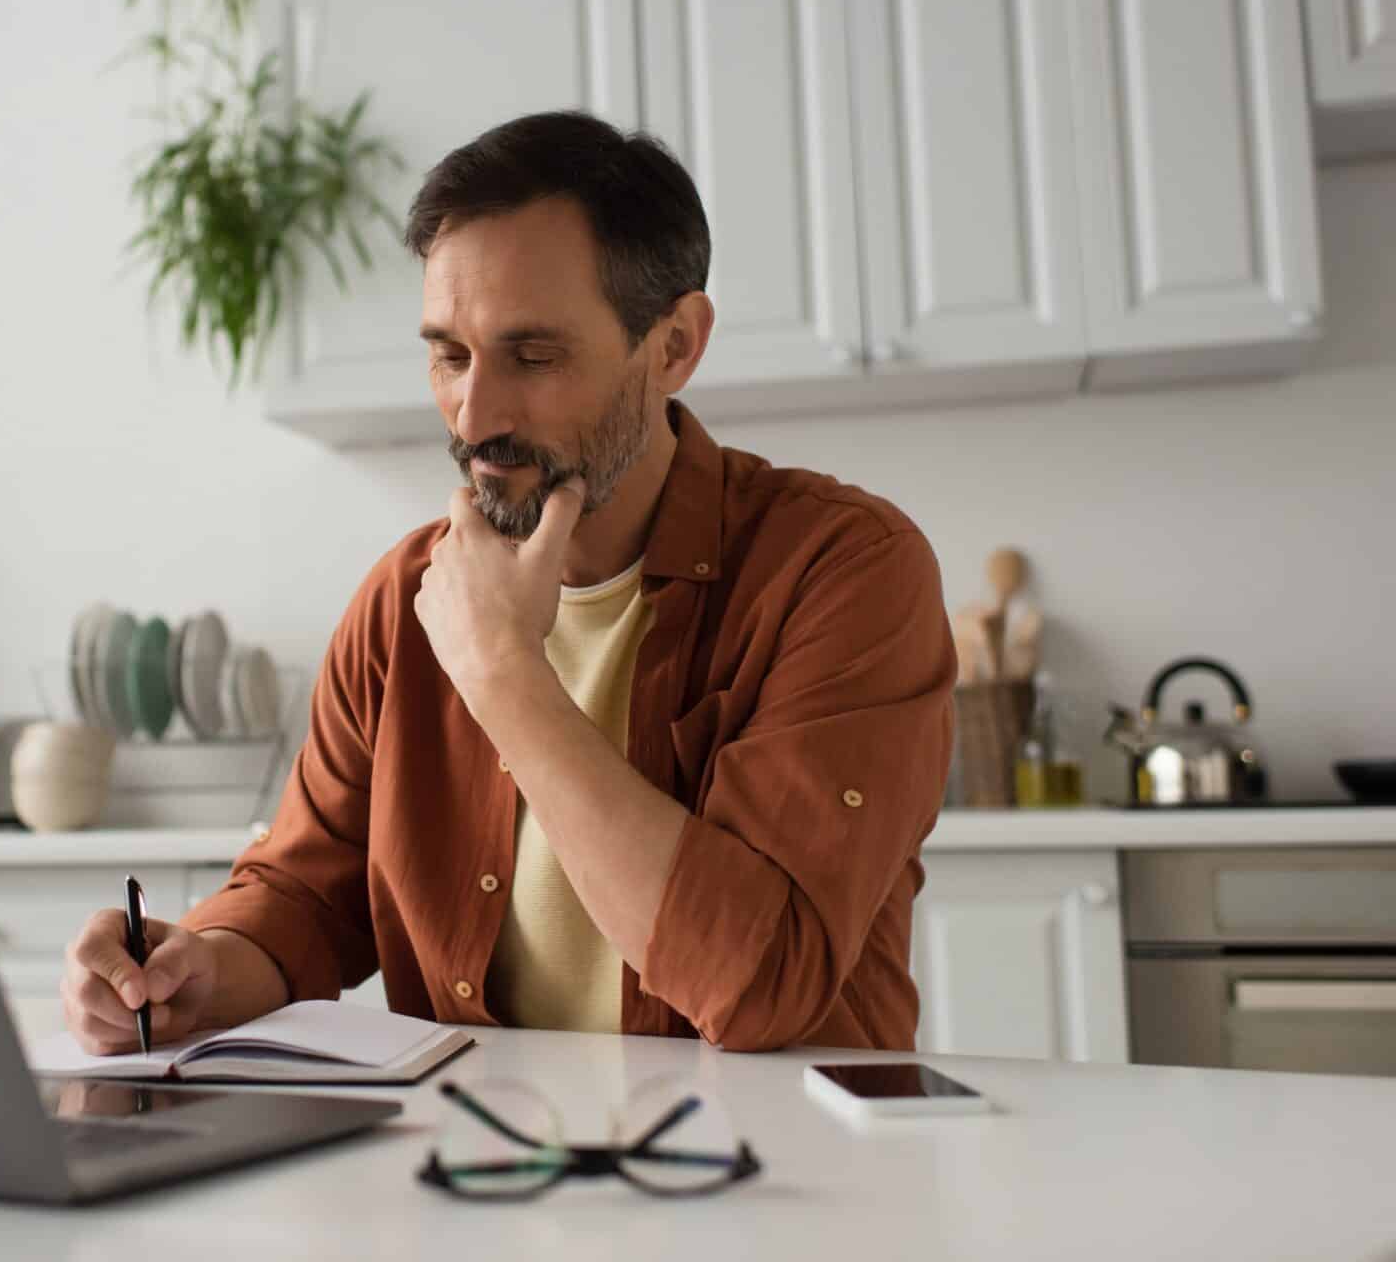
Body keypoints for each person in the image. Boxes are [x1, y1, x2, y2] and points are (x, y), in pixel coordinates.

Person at [62, 111, 955, 1055]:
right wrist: (196, 967)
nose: (475, 413)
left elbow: (763, 981)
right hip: (480, 1173)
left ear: (675, 345)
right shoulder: (404, 595)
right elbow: (303, 895)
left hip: (789, 1176)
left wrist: (503, 674)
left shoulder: (843, 569)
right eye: (449, 354)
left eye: (533, 356)